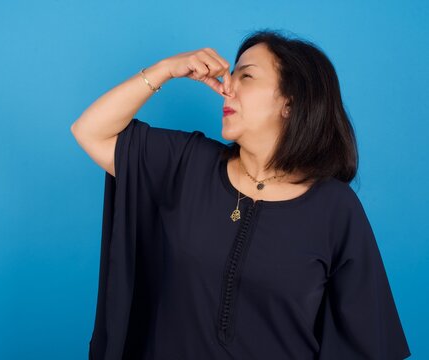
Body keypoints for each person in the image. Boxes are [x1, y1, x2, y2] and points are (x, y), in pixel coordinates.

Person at [71, 29, 411, 360]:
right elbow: (90, 131)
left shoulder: (335, 209)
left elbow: (366, 341)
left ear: (290, 103)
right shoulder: (188, 163)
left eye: (246, 77)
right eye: (229, 76)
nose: (226, 88)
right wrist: (167, 69)